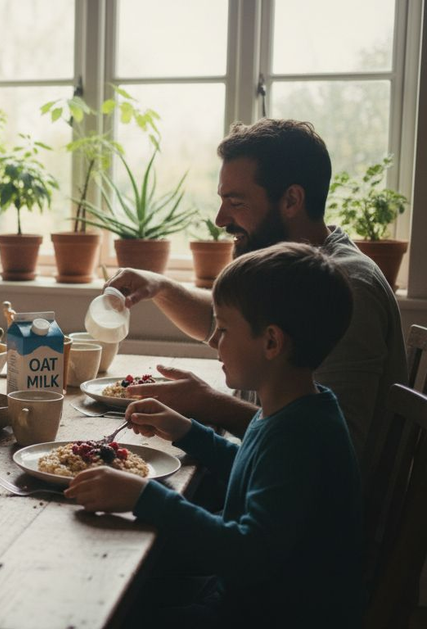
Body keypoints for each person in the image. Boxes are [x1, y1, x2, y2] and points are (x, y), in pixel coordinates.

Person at [66, 243, 362, 627]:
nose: (214, 342)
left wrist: (143, 496)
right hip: (247, 600)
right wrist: (187, 431)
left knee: (103, 608)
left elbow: (247, 554)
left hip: (264, 615)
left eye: (222, 329)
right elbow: (252, 467)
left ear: (271, 342)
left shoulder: (299, 435)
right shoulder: (296, 408)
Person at [106, 118, 405, 473]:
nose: (220, 219)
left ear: (291, 200)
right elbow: (224, 323)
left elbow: (331, 453)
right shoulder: (292, 273)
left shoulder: (346, 285)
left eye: (235, 202)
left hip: (309, 516)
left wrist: (209, 403)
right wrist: (159, 286)